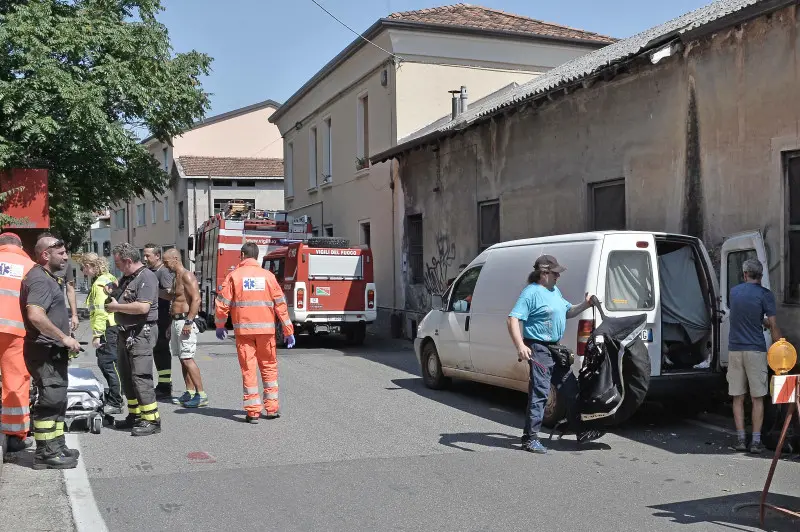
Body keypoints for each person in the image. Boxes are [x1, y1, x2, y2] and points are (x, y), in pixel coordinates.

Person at [506, 255, 602, 454]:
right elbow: (512, 320)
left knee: (571, 388)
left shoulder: (554, 290)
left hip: (555, 349)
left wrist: (585, 305)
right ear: (544, 273)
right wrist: (520, 346)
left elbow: (567, 311)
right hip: (539, 349)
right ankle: (530, 439)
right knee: (540, 393)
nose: (559, 276)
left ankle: (581, 430)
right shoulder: (530, 293)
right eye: (555, 272)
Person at [214, 243, 295, 423]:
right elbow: (281, 304)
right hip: (266, 331)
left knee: (248, 370)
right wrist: (288, 330)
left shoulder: (234, 276)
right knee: (269, 368)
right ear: (257, 256)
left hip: (244, 331)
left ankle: (252, 412)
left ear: (242, 255)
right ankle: (272, 408)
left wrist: (220, 325)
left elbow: (222, 304)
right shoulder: (268, 277)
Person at [21, 236, 82, 469]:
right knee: (50, 399)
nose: (66, 257)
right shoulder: (39, 280)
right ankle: (45, 454)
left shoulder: (48, 277)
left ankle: (57, 445)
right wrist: (63, 337)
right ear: (46, 254)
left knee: (58, 399)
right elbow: (35, 315)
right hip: (44, 350)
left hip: (52, 351)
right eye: (62, 253)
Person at [106, 243, 161, 436]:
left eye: (118, 263)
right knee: (127, 377)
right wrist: (113, 291)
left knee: (140, 376)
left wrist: (116, 308)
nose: (117, 267)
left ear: (128, 261)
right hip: (126, 332)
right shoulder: (129, 277)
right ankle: (135, 415)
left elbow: (143, 307)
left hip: (140, 333)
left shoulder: (146, 276)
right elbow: (126, 298)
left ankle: (152, 420)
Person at [727, 258, 781, 454]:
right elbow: (773, 325)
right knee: (758, 397)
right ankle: (756, 442)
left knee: (737, 396)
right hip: (755, 350)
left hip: (734, 350)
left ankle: (741, 439)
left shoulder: (734, 293)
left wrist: (760, 320)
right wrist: (779, 348)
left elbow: (743, 315)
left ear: (744, 274)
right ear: (761, 275)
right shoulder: (766, 295)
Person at [0, 233, 35, 453]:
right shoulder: (29, 266)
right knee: (15, 382)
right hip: (15, 331)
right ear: (20, 246)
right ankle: (14, 436)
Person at [162, 248, 207, 408]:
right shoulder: (176, 277)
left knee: (187, 358)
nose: (165, 265)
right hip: (176, 321)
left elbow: (196, 299)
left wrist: (189, 321)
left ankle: (201, 395)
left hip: (185, 321)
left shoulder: (187, 275)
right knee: (182, 359)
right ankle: (190, 391)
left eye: (166, 262)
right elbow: (174, 298)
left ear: (175, 259)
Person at [79, 252, 122, 415]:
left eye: (84, 268)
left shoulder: (99, 284)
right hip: (111, 327)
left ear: (90, 266)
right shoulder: (107, 278)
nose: (83, 272)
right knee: (110, 363)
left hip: (106, 328)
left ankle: (116, 401)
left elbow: (100, 311)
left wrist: (97, 334)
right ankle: (115, 395)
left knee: (108, 364)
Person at [143, 244, 175, 399]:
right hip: (153, 318)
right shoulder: (150, 271)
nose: (145, 258)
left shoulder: (163, 272)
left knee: (162, 351)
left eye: (148, 255)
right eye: (144, 255)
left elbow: (170, 295)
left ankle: (165, 385)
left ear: (157, 256)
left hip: (163, 318)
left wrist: (153, 291)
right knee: (156, 351)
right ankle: (162, 384)